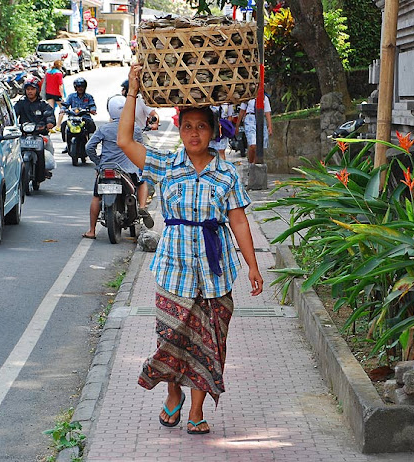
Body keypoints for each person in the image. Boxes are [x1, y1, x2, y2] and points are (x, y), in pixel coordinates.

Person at [117, 64, 263, 435]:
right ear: (179, 130)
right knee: (173, 340)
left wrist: (253, 266)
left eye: (201, 126)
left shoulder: (226, 175)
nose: (193, 133)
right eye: (187, 126)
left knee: (210, 342)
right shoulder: (166, 165)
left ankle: (197, 409)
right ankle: (173, 394)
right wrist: (133, 92)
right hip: (174, 271)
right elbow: (124, 143)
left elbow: (240, 222)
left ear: (213, 132)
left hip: (216, 274)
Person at [83, 95, 153, 239]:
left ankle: (91, 230)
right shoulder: (134, 129)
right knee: (143, 181)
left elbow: (89, 147)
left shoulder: (104, 129)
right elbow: (140, 147)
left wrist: (98, 163)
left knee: (96, 196)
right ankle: (141, 208)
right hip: (129, 170)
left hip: (106, 168)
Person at [14, 78, 55, 185]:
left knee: (49, 147)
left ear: (37, 90)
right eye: (28, 89)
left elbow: (49, 115)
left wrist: (49, 123)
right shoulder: (21, 103)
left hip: (40, 134)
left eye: (32, 89)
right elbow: (13, 114)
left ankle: (45, 170)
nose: (30, 91)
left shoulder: (43, 104)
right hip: (23, 134)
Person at [61, 77, 97, 153]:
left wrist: (92, 110)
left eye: (82, 87)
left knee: (91, 124)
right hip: (73, 117)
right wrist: (63, 109)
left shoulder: (89, 97)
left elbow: (92, 105)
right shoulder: (71, 96)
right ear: (75, 87)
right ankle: (67, 144)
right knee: (64, 124)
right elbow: (66, 104)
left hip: (84, 117)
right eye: (78, 87)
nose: (80, 88)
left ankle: (91, 143)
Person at [234, 94, 273, 164]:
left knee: (260, 145)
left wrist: (269, 126)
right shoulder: (247, 97)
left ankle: (254, 164)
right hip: (250, 119)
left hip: (260, 119)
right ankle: (251, 163)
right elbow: (242, 111)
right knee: (253, 145)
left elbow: (267, 112)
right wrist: (237, 125)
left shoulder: (264, 98)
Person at [44, 60, 65, 132]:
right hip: (57, 93)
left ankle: (50, 127)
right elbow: (60, 86)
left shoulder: (48, 72)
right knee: (63, 109)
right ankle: (58, 125)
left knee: (50, 110)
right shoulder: (59, 73)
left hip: (48, 93)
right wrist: (62, 96)